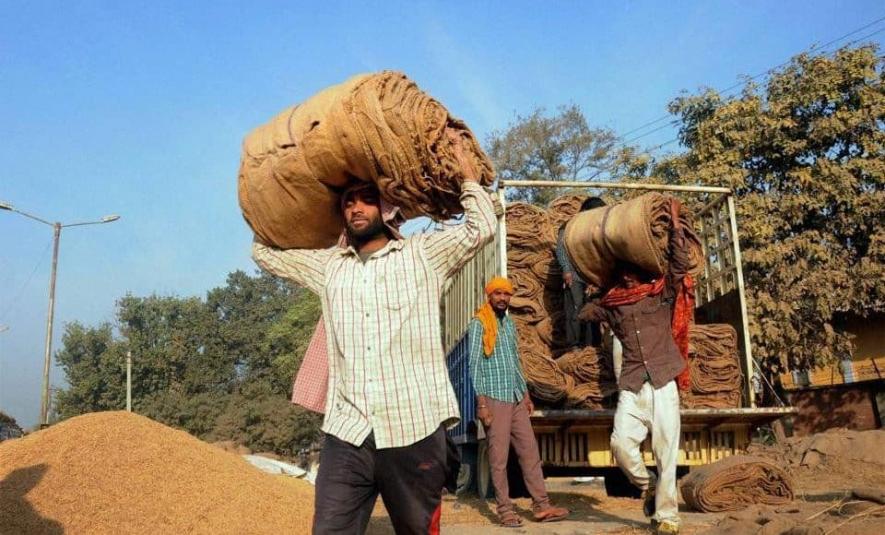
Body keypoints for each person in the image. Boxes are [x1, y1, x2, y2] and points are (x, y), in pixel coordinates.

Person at [253, 138, 497, 535]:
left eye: (366, 199)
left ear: (386, 208)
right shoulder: (329, 267)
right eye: (348, 201)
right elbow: (264, 254)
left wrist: (467, 174)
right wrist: (277, 195)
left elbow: (481, 227)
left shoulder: (423, 256)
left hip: (413, 427)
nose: (355, 207)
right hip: (347, 431)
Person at [578, 198, 693, 535]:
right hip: (632, 384)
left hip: (662, 382)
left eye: (631, 268)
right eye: (621, 270)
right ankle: (647, 484)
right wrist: (596, 286)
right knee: (620, 444)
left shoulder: (660, 294)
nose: (627, 274)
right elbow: (583, 313)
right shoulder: (612, 305)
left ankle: (667, 517)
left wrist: (675, 227)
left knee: (666, 450)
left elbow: (679, 266)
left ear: (641, 268)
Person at [468, 276, 569, 528]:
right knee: (499, 457)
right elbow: (474, 366)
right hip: (493, 398)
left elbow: (515, 362)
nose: (502, 298)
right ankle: (504, 510)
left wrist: (524, 394)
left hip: (514, 397)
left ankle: (541, 505)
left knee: (529, 451)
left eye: (506, 294)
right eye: (498, 294)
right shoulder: (479, 324)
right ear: (489, 296)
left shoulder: (509, 325)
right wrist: (481, 403)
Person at [554, 197, 606, 348]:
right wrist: (566, 270)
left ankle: (592, 345)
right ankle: (575, 345)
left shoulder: (597, 228)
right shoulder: (569, 227)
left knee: (593, 308)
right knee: (575, 309)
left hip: (592, 276)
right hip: (574, 274)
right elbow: (561, 248)